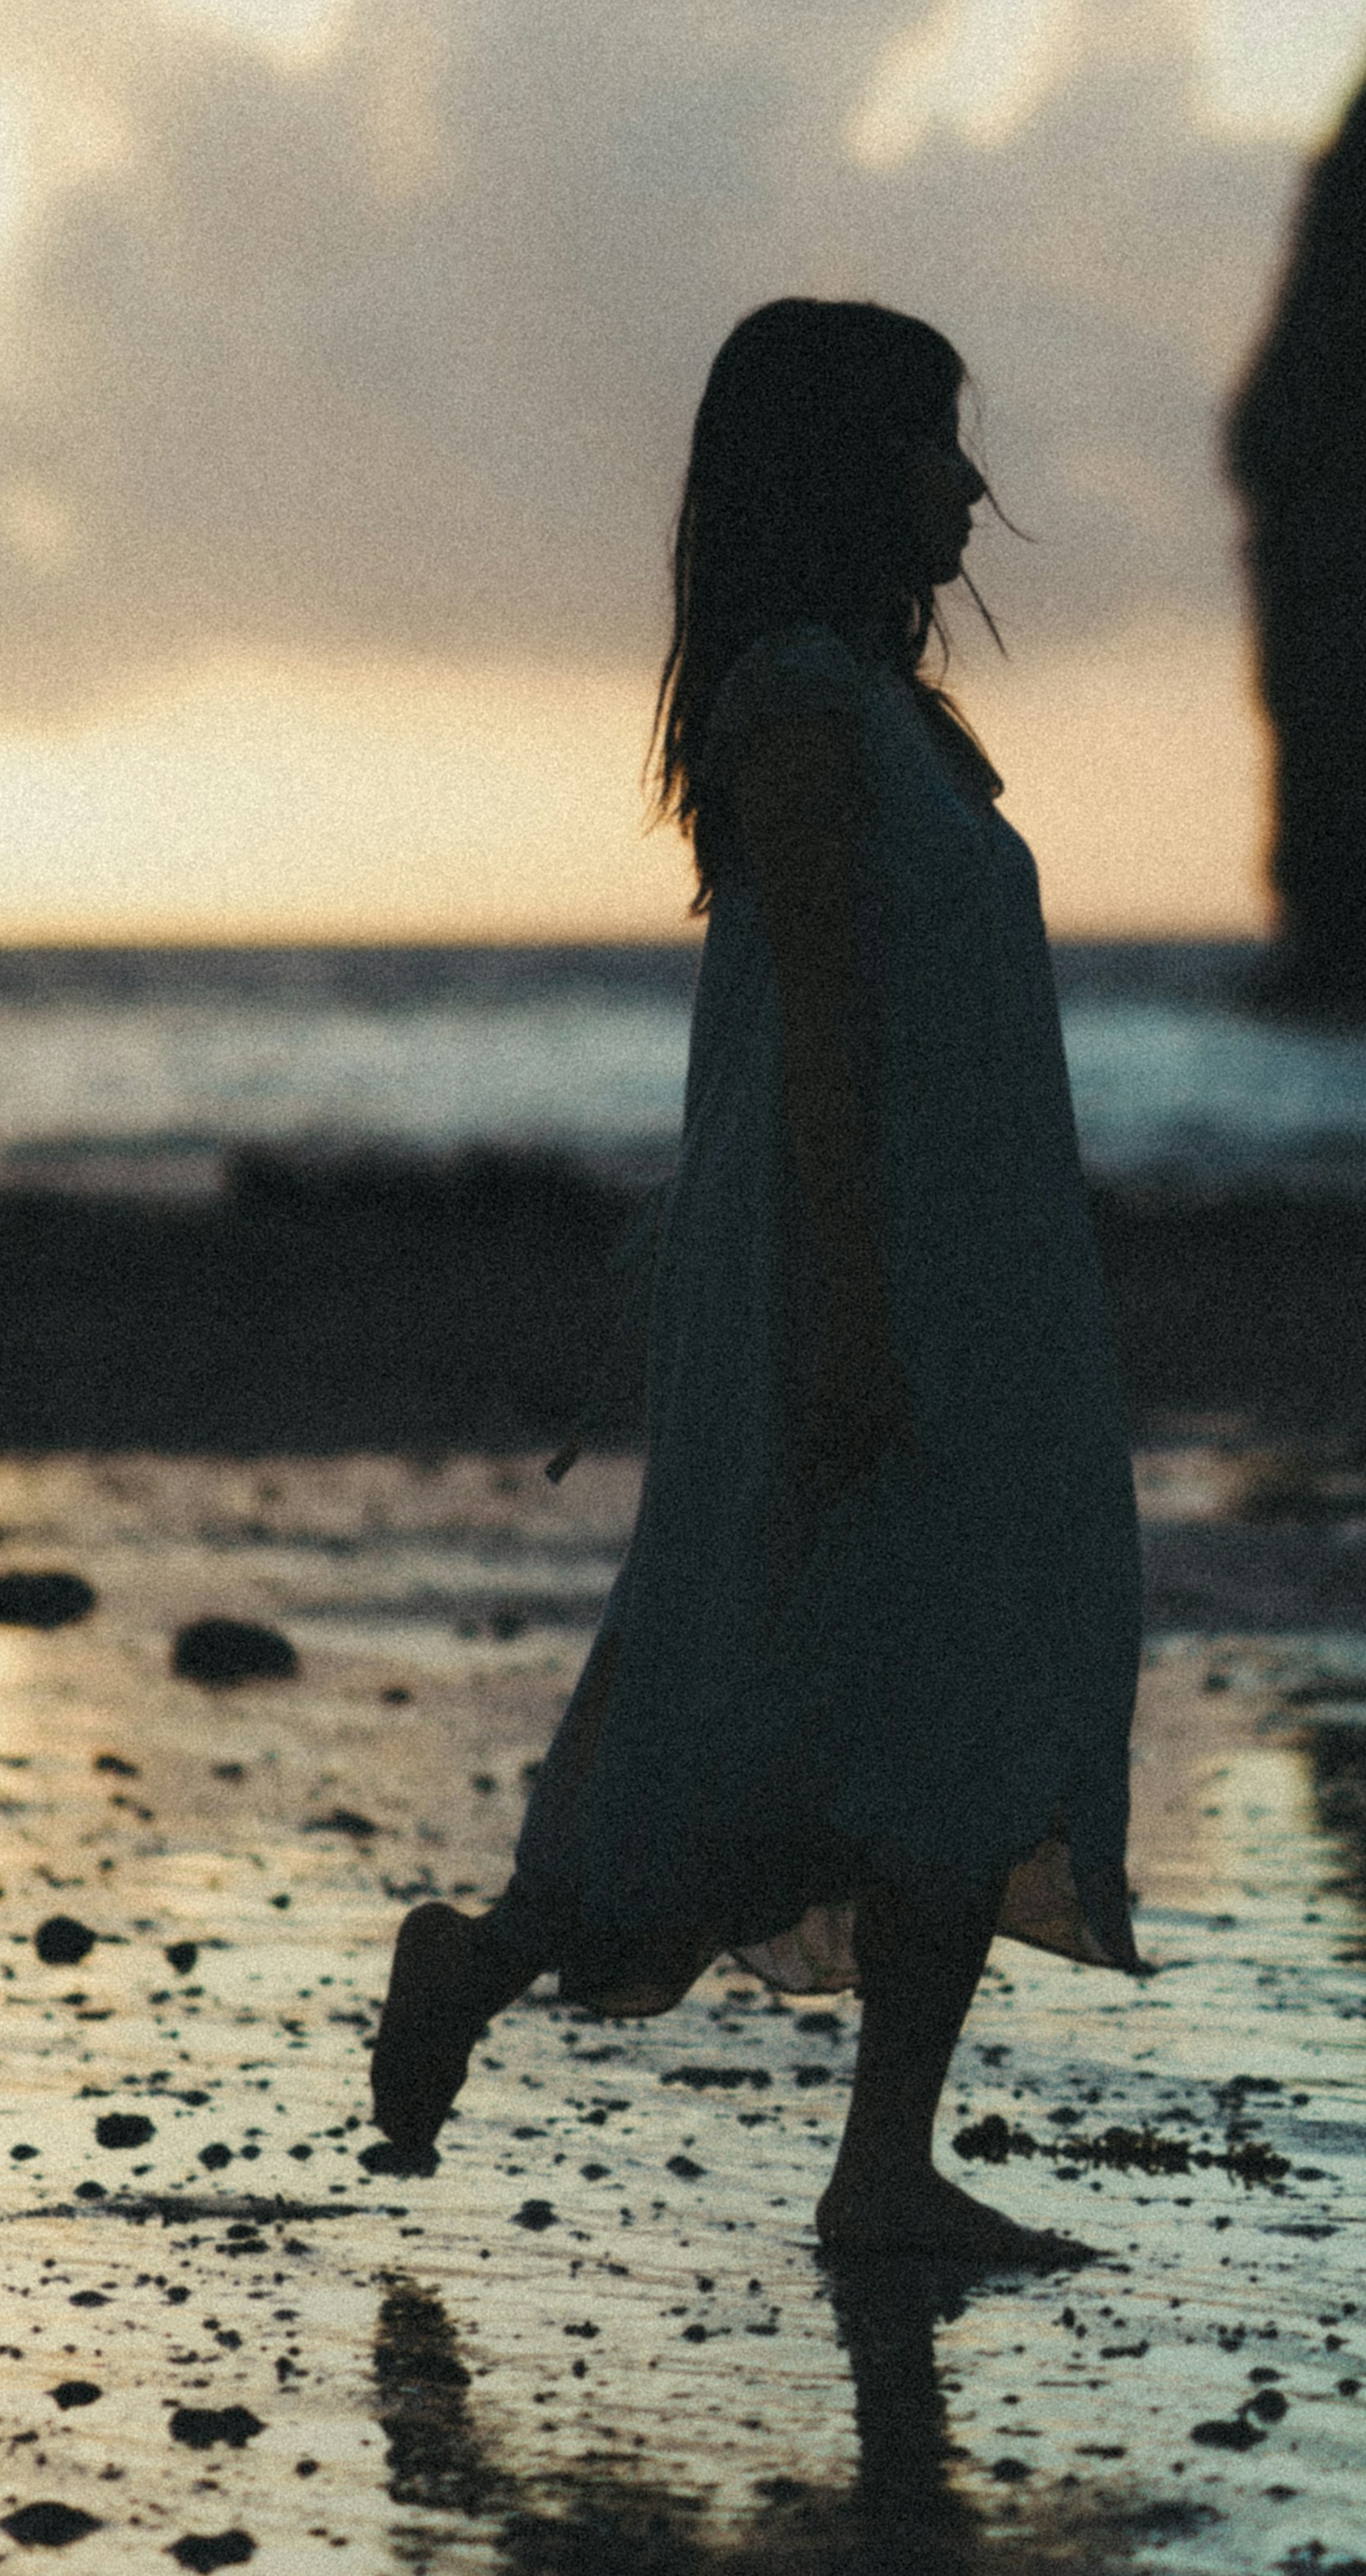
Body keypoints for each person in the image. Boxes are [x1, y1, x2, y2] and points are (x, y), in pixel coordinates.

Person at [368, 295, 1144, 2258]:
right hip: (859, 1275)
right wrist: (858, 1329)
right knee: (770, 1682)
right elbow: (814, 1051)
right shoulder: (796, 707)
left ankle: (887, 2168)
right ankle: (479, 1964)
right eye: (932, 442)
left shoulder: (886, 717)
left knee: (964, 1675)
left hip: (979, 1276)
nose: (971, 480)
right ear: (838, 473)